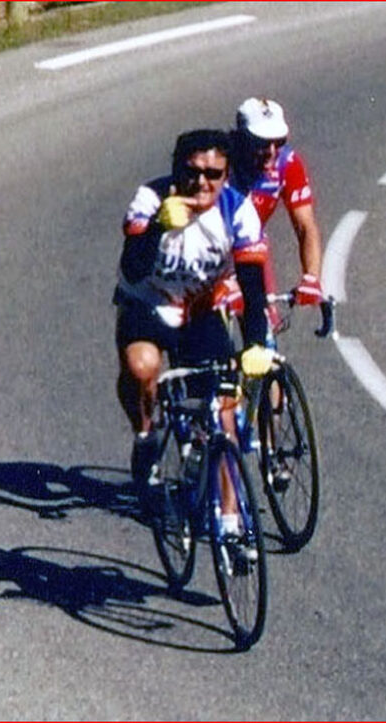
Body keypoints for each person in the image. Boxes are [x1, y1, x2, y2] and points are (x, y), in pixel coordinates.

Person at [114, 129, 273, 554]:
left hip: (200, 309)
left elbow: (253, 286)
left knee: (224, 414)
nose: (201, 182)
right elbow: (133, 267)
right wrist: (156, 229)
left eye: (213, 174)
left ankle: (230, 521)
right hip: (148, 304)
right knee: (142, 369)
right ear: (176, 170)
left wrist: (255, 344)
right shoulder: (150, 199)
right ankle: (146, 439)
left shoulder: (237, 212)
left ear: (227, 176)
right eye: (192, 172)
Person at [230, 97, 325, 321]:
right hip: (208, 253)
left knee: (264, 324)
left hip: (250, 248)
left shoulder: (287, 163)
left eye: (279, 141)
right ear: (241, 138)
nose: (271, 151)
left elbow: (305, 226)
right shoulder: (218, 163)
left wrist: (311, 278)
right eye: (261, 142)